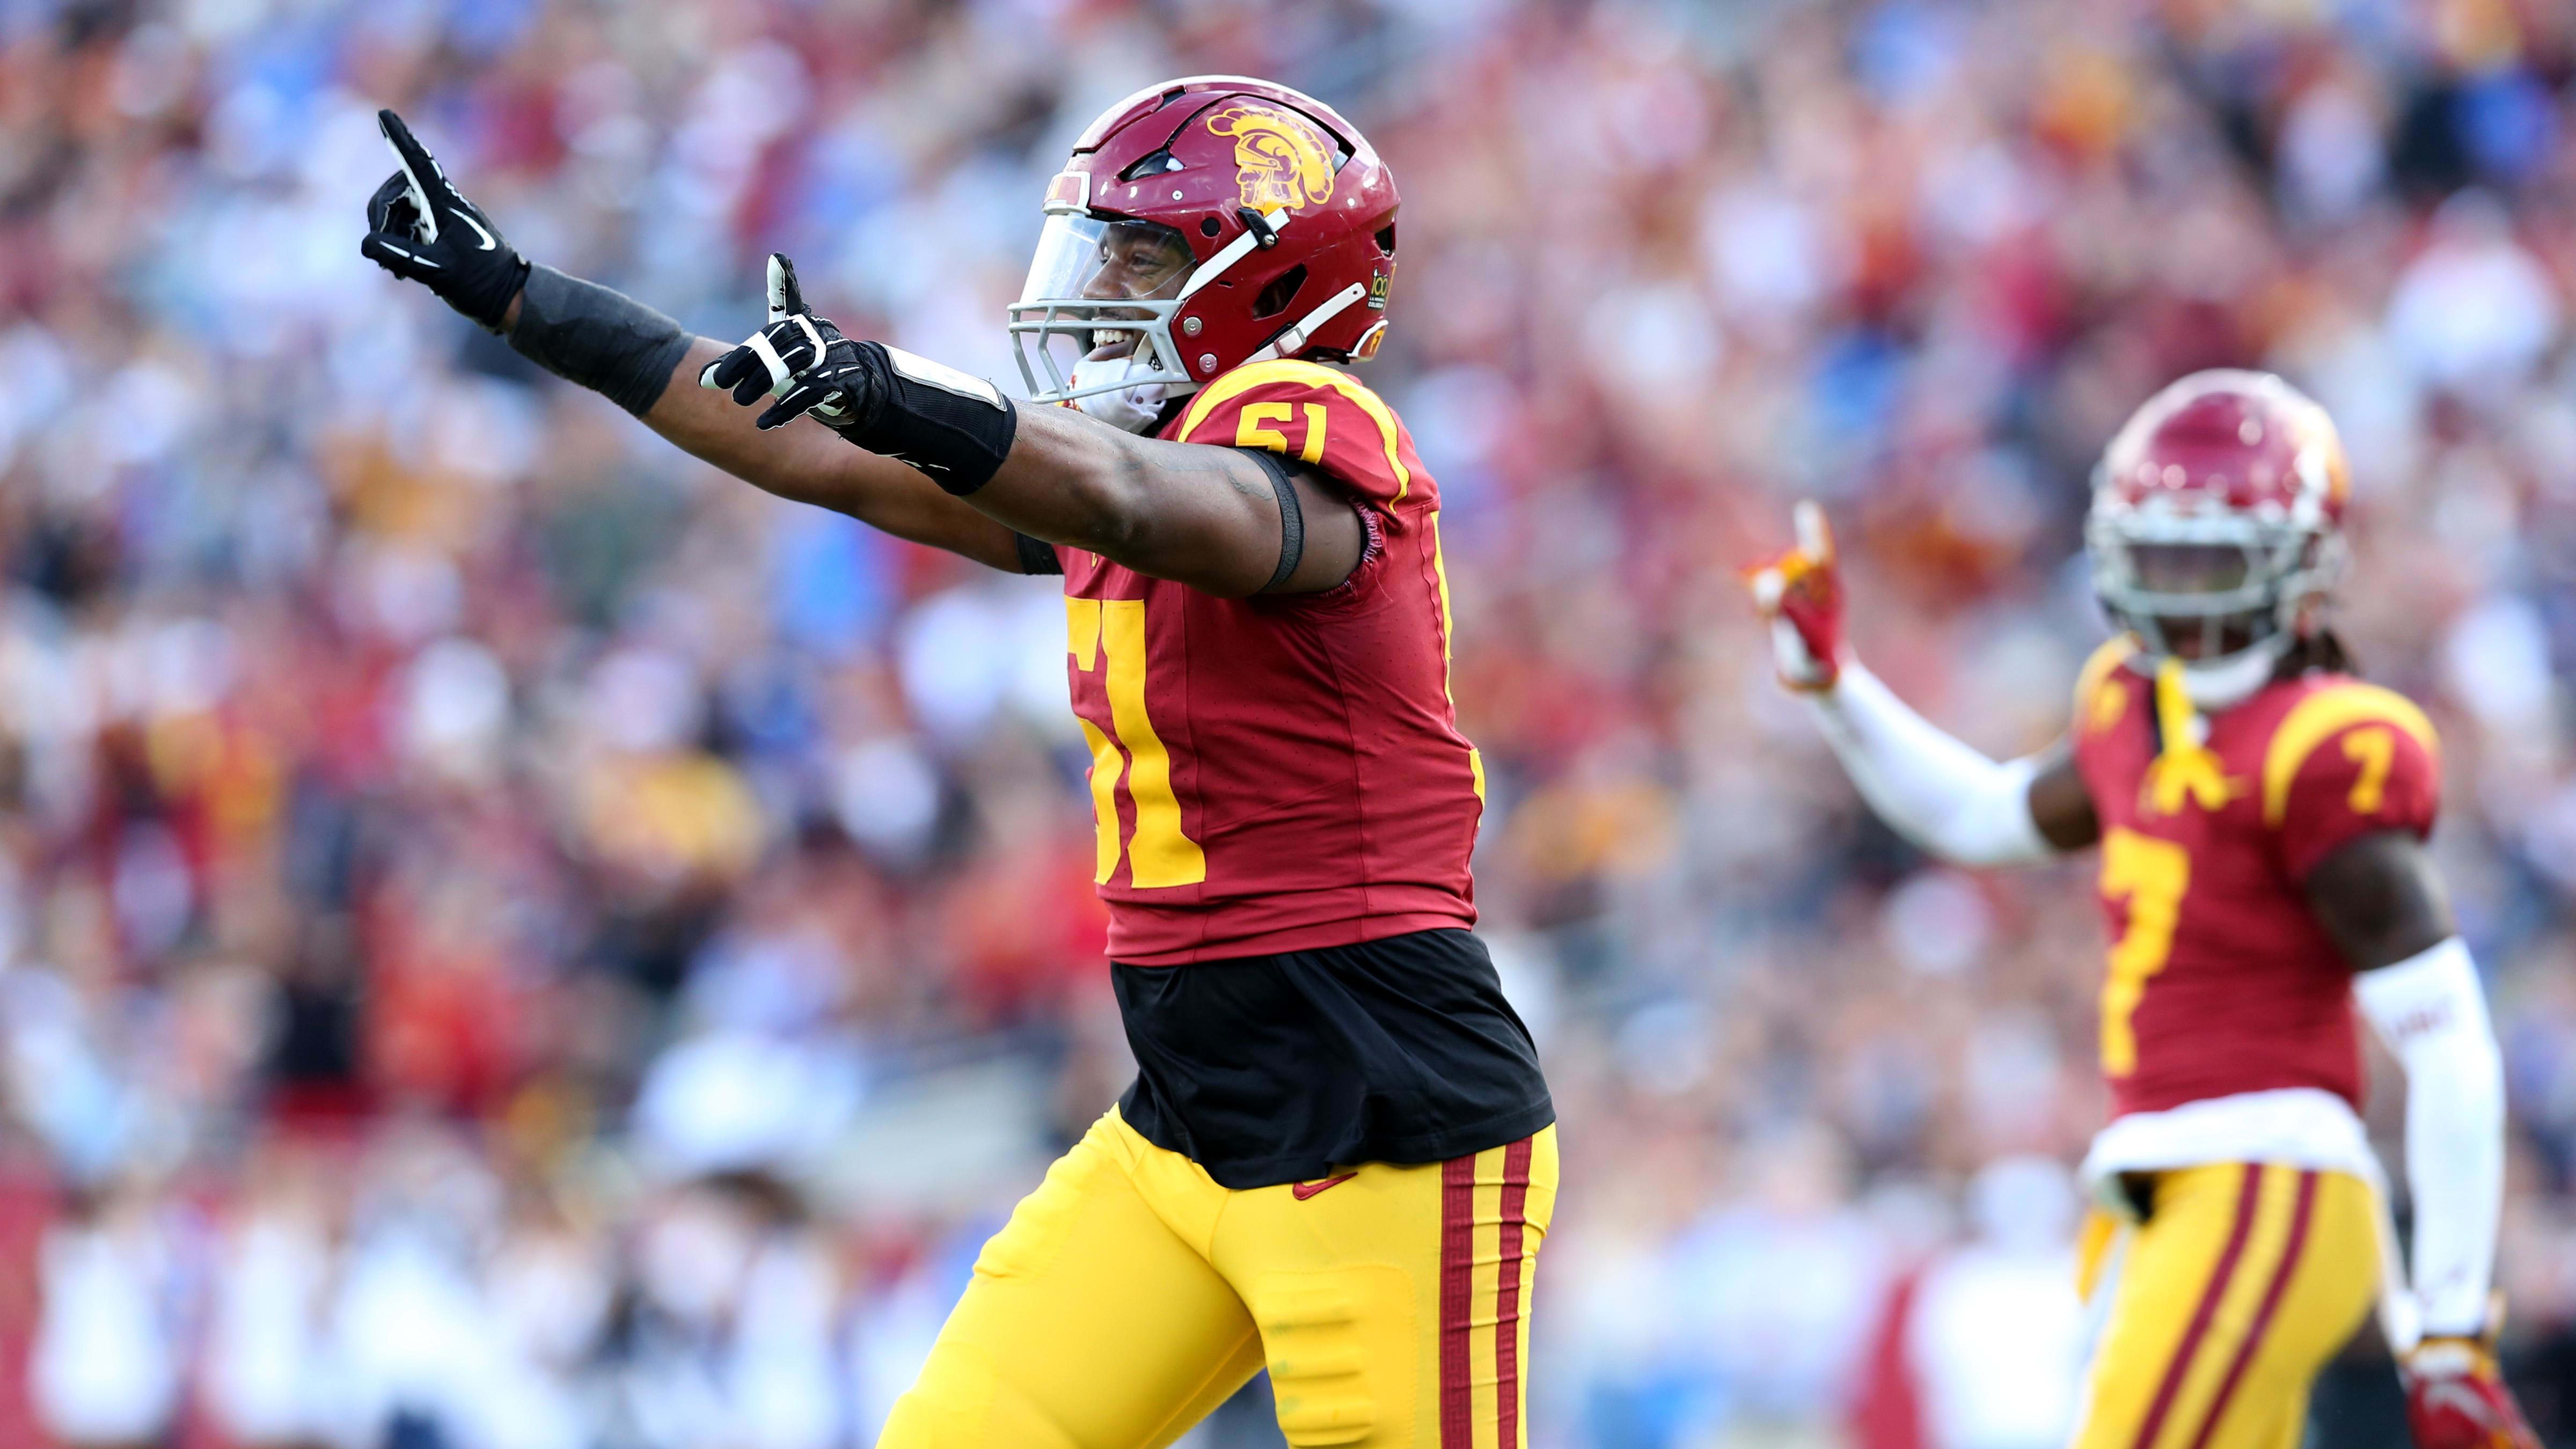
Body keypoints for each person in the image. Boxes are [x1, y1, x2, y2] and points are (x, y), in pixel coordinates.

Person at [361, 76, 1554, 1449]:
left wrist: (916, 397)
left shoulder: (1316, 456)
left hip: (1384, 1128)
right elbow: (817, 457)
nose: (1102, 277)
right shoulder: (1143, 462)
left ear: (1273, 287)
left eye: (1144, 250)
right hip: (1190, 1125)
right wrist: (525, 300)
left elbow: (1140, 499)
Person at [1743, 371, 2537, 1449]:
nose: (2180, 582)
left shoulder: (2323, 747)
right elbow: (1986, 815)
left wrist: (2451, 1332)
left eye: (2211, 554)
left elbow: (2449, 1044)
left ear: (2300, 561)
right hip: (2164, 1189)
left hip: (2270, 1175)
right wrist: (1838, 688)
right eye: (2158, 549)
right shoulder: (2130, 702)